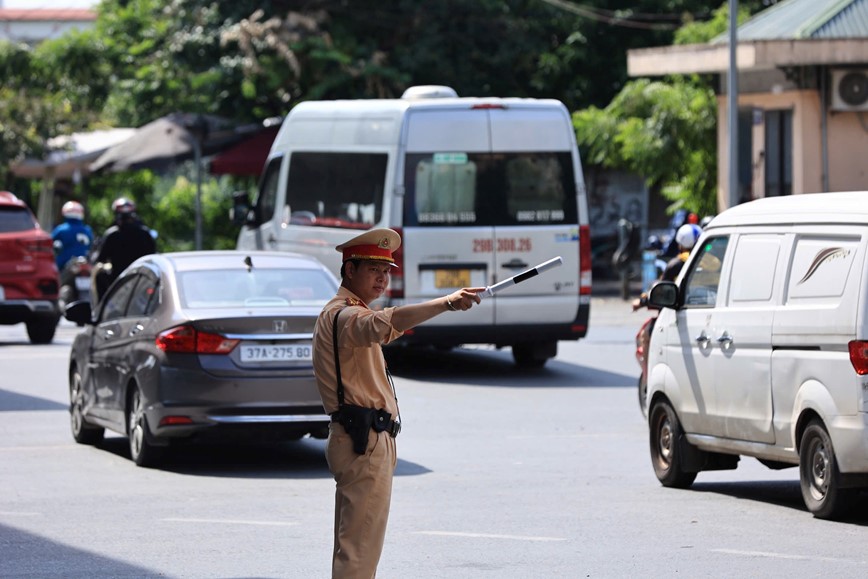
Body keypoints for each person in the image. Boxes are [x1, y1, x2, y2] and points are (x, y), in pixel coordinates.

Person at [312, 228, 483, 579]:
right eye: (374, 268)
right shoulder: (345, 317)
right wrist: (446, 303)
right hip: (364, 441)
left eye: (387, 271)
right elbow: (384, 322)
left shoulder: (345, 313)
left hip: (363, 438)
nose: (382, 278)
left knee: (354, 549)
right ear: (349, 270)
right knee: (358, 554)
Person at [91, 197, 156, 301]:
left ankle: (101, 308)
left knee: (99, 275)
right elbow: (153, 256)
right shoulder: (145, 233)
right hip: (142, 278)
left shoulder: (112, 235)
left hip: (119, 280)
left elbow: (101, 258)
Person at [51, 201, 94, 271]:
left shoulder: (61, 229)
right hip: (84, 263)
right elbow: (91, 245)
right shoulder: (87, 230)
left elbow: (49, 243)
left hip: (64, 264)